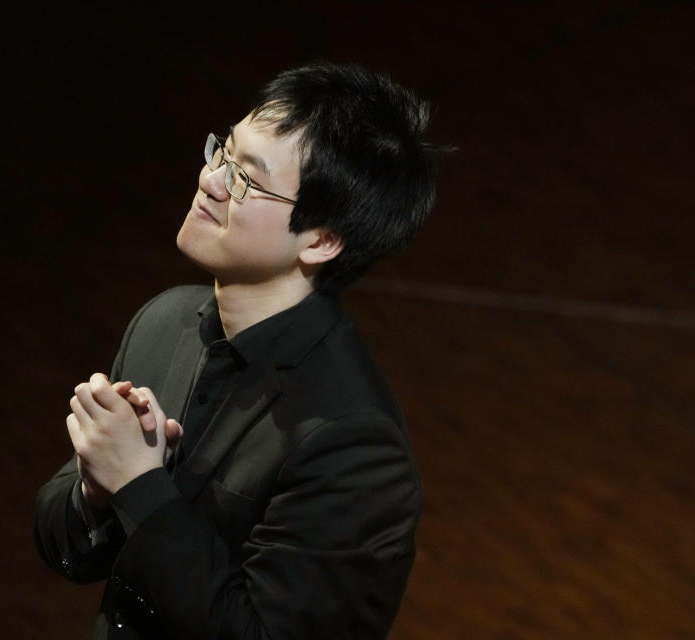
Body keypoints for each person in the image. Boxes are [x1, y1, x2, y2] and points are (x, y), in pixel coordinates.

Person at [34, 62, 440, 639]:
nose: (211, 179)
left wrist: (138, 486)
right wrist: (94, 493)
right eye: (223, 151)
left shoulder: (354, 442)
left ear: (322, 239)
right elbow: (62, 548)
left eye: (246, 178)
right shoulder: (163, 320)